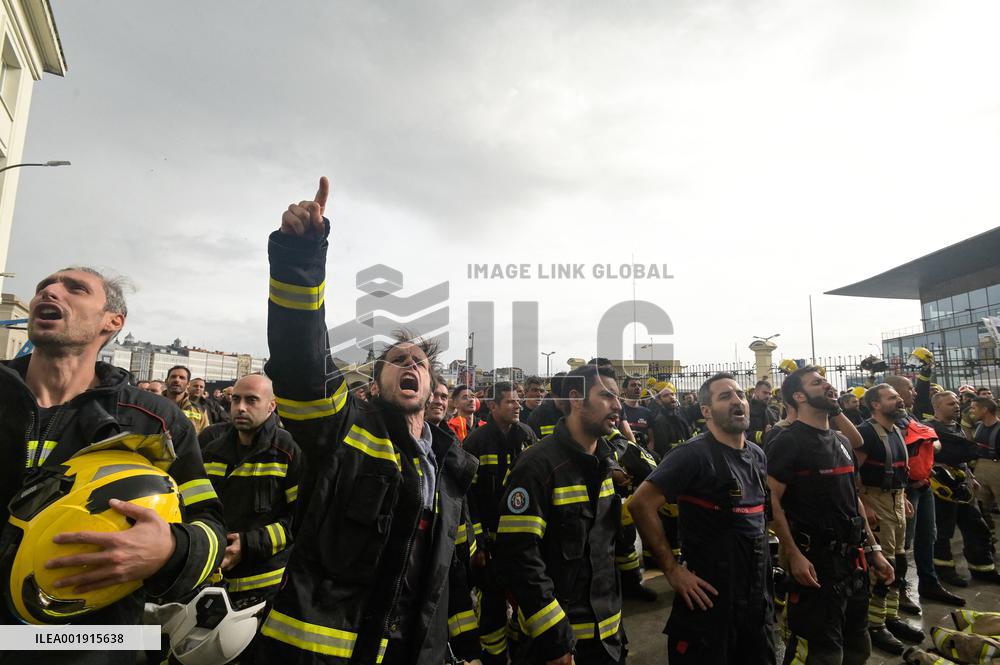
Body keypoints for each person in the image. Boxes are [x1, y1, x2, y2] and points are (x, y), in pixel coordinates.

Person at [257, 178, 480, 665]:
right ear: (375, 383)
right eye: (396, 360)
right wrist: (301, 260)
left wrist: (465, 650)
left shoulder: (452, 466)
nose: (410, 365)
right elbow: (302, 363)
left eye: (419, 361)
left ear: (430, 384)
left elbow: (449, 575)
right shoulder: (343, 432)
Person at [0, 266, 225, 665]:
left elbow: (209, 525)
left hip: (96, 645)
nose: (50, 291)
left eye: (75, 288)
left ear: (112, 321)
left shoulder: (157, 422)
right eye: (44, 287)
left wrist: (170, 550)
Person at [629, 373, 775, 664]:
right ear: (706, 411)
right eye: (725, 396)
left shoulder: (757, 454)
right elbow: (640, 504)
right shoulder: (691, 454)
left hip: (757, 596)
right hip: (710, 598)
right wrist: (671, 570)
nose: (737, 400)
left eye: (740, 394)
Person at [494, 364, 625, 664]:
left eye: (616, 397)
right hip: (556, 646)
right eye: (606, 396)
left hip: (608, 639)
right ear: (577, 399)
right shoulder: (536, 466)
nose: (617, 405)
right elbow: (518, 557)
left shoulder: (604, 462)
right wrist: (555, 640)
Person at [767, 366, 894, 665]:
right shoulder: (788, 440)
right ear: (799, 396)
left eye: (827, 380)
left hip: (853, 563)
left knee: (857, 646)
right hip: (816, 564)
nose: (828, 385)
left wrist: (873, 549)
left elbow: (854, 500)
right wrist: (793, 553)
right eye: (817, 382)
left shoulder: (841, 441)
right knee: (819, 653)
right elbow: (770, 499)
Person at [201, 374, 304, 663]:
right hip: (208, 583)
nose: (240, 407)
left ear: (271, 406)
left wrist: (248, 544)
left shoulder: (289, 451)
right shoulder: (210, 447)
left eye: (251, 400)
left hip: (264, 591)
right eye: (235, 399)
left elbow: (300, 518)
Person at [463, 382, 538, 664]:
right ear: (492, 407)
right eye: (509, 401)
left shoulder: (527, 436)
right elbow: (468, 497)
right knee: (492, 603)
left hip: (523, 539)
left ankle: (521, 651)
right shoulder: (476, 442)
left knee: (526, 599)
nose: (517, 405)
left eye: (518, 401)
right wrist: (479, 542)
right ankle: (494, 656)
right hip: (491, 542)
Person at [854, 385, 924, 653]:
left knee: (900, 562)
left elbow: (898, 469)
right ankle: (874, 625)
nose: (899, 401)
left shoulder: (896, 430)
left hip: (895, 500)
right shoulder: (866, 433)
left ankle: (890, 617)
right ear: (874, 404)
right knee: (880, 568)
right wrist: (865, 503)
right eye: (891, 398)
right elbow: (852, 473)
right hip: (875, 502)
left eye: (898, 397)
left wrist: (903, 495)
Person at [925, 391, 1000, 585]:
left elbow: (962, 459)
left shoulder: (956, 427)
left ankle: (983, 568)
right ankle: (945, 571)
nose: (957, 406)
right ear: (937, 407)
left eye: (957, 403)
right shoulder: (928, 428)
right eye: (951, 404)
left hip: (963, 485)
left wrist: (970, 476)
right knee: (943, 532)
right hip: (942, 487)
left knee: (977, 527)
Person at [971, 396, 1000, 515]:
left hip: (997, 467)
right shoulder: (978, 426)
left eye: (974, 408)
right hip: (980, 468)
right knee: (981, 508)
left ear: (984, 410)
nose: (971, 411)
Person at [648, 384, 693, 458]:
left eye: (672, 394)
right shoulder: (660, 420)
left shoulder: (682, 415)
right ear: (659, 401)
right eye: (666, 395)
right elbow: (663, 449)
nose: (671, 397)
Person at [165, 365, 211, 434]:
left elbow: (205, 437)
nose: (177, 380)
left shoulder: (199, 411)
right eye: (173, 376)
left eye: (182, 378)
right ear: (166, 381)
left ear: (188, 384)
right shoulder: (153, 405)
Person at [621, 376, 656, 452]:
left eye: (639, 385)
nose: (637, 387)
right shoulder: (619, 410)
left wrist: (647, 456)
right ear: (625, 390)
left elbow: (651, 440)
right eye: (633, 385)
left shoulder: (647, 412)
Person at [748, 380, 779, 446]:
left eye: (770, 394)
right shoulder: (746, 411)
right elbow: (744, 435)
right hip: (754, 453)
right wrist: (763, 435)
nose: (768, 396)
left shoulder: (774, 413)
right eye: (765, 393)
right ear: (755, 392)